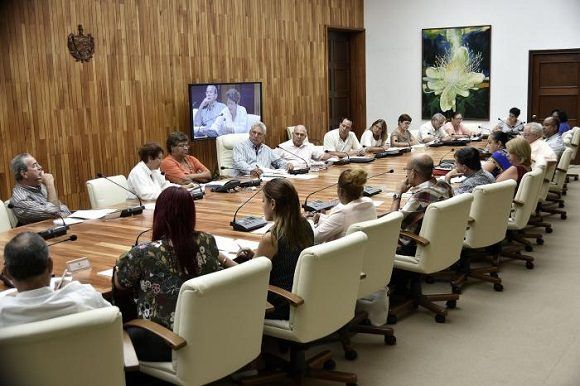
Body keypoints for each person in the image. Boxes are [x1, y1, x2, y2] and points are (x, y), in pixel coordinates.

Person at [114, 187, 235, 361]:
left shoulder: (144, 253)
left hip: (168, 341)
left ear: (160, 215)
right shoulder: (207, 241)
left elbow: (120, 284)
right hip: (208, 332)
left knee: (114, 333)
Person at [235, 179, 314, 320]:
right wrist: (256, 255)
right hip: (302, 295)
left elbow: (248, 278)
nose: (262, 205)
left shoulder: (271, 238)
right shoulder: (304, 225)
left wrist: (222, 259)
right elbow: (287, 261)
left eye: (263, 201)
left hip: (279, 303)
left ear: (272, 204)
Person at [0, 232, 111, 328]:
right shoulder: (85, 296)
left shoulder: (3, 312)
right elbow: (113, 320)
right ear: (50, 265)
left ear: (7, 273)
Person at [391, 154, 453, 255]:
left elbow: (391, 223)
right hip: (443, 240)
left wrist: (398, 194)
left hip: (416, 246)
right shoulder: (445, 185)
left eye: (406, 170)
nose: (406, 174)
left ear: (413, 173)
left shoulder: (421, 196)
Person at [312, 169, 377, 244]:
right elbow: (343, 222)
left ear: (341, 191)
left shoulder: (342, 212)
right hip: (365, 251)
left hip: (341, 254)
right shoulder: (369, 202)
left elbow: (314, 238)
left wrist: (310, 222)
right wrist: (322, 218)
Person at [9, 153, 71, 225]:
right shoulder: (21, 200)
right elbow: (55, 212)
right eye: (34, 165)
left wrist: (60, 214)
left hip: (57, 229)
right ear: (24, 174)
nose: (40, 167)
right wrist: (50, 184)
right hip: (40, 234)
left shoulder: (40, 186)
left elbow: (64, 208)